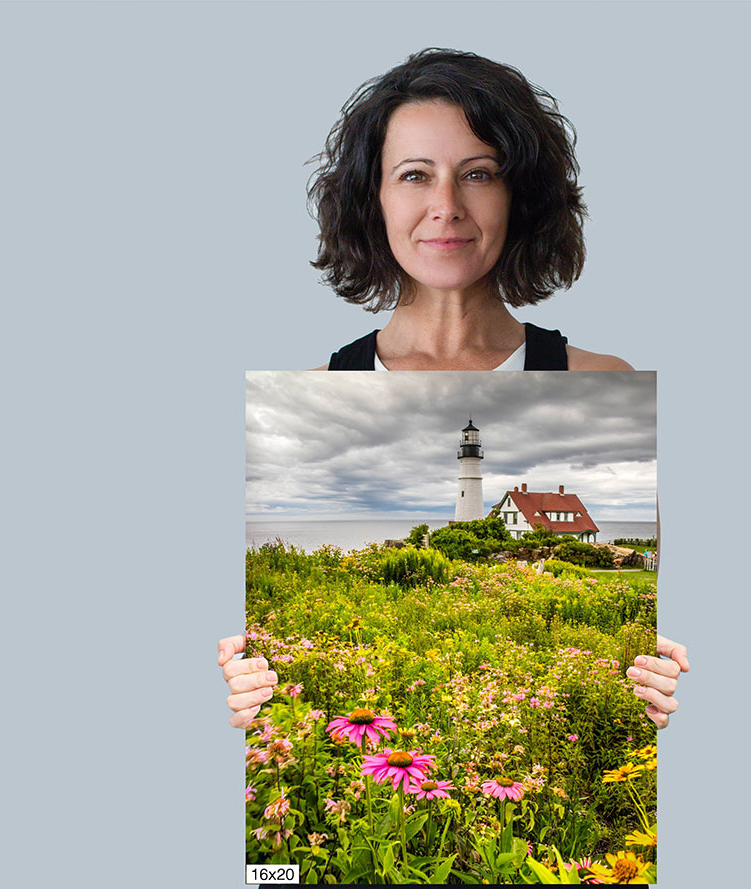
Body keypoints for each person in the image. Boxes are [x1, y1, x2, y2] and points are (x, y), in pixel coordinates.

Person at [222, 48, 688, 735]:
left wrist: (669, 669)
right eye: (414, 175)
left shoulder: (604, 381)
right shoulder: (304, 395)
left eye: (479, 174)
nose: (446, 206)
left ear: (520, 195)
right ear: (372, 197)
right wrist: (240, 684)